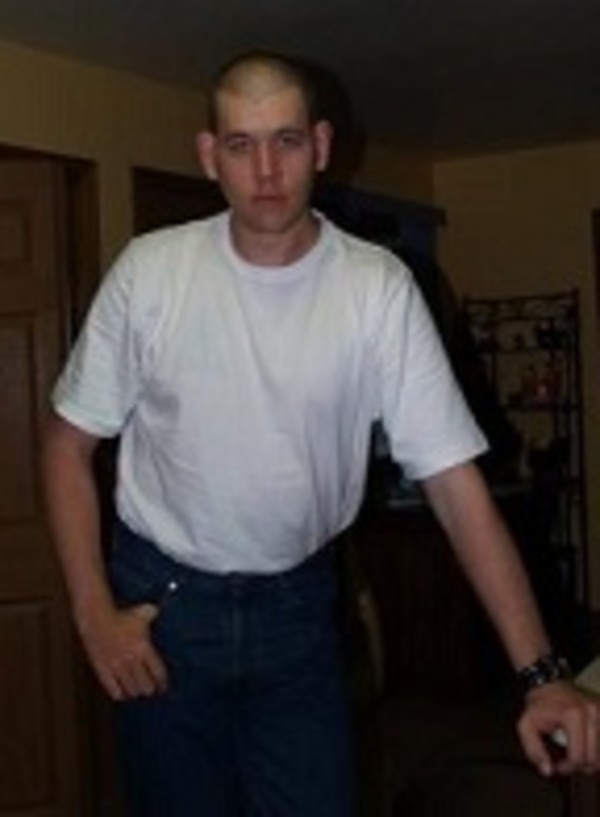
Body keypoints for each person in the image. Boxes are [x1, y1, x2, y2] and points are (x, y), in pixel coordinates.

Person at [41, 51, 599, 817]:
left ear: (323, 145)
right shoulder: (151, 273)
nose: (266, 170)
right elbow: (66, 445)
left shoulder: (377, 288)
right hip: (163, 611)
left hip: (300, 613)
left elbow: (454, 485)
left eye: (287, 140)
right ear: (209, 156)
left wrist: (542, 675)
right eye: (241, 145)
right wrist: (93, 615)